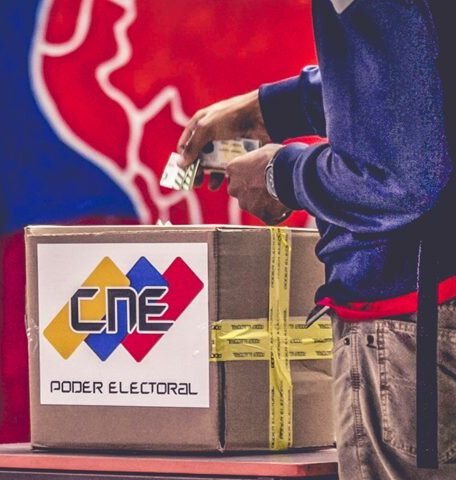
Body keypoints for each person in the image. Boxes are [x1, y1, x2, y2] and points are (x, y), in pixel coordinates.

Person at [173, 1, 456, 479]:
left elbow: (401, 179)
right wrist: (272, 108)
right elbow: (417, 79)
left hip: (416, 320)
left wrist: (280, 174)